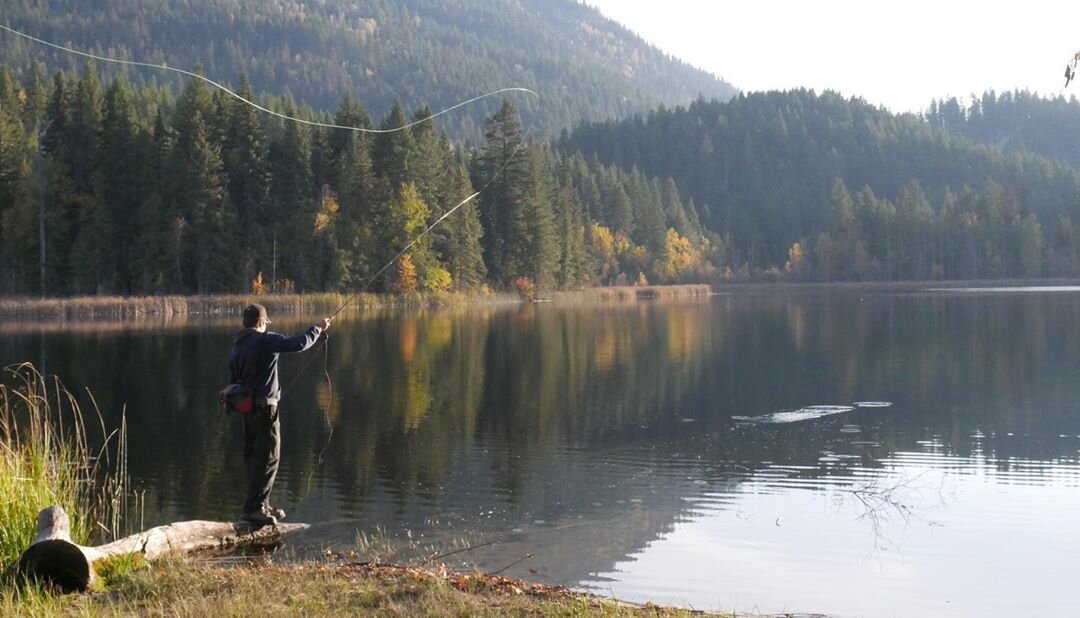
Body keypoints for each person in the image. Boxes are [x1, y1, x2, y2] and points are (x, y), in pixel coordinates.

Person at [228, 303, 333, 527]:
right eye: (265, 323)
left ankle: (260, 505)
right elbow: (298, 343)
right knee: (269, 458)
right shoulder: (265, 340)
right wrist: (317, 328)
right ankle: (254, 509)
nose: (266, 326)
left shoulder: (237, 346)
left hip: (247, 411)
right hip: (265, 409)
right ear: (261, 322)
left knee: (254, 457)